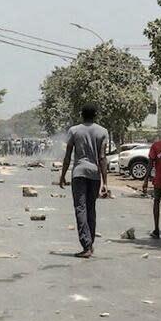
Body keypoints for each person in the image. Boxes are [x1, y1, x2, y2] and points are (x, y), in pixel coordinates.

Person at [59, 103, 109, 258]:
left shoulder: (74, 131)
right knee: (90, 209)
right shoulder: (102, 131)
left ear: (81, 115)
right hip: (94, 174)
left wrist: (63, 175)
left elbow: (68, 156)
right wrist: (105, 182)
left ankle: (86, 245)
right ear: (95, 115)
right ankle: (90, 243)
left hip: (79, 173)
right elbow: (102, 157)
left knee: (80, 208)